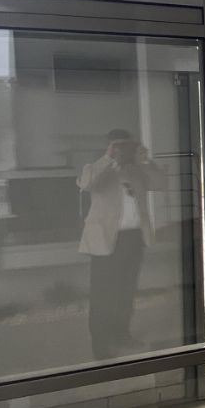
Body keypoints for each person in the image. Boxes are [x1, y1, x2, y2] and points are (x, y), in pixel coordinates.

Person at [77, 128, 164, 359]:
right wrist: (108, 158)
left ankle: (122, 334)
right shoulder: (97, 169)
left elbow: (160, 183)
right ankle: (101, 344)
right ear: (109, 147)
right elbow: (86, 184)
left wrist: (146, 161)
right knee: (103, 294)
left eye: (127, 145)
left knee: (126, 291)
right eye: (118, 146)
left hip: (134, 238)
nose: (123, 150)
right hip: (105, 240)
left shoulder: (137, 170)